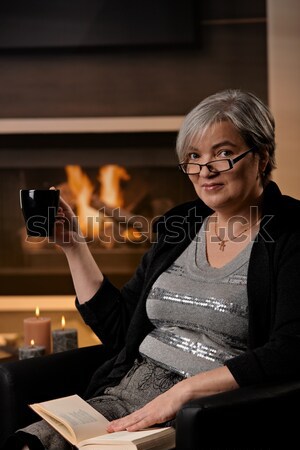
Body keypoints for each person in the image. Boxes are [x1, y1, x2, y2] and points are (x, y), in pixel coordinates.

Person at [6, 88, 300, 450]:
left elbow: (291, 349)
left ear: (262, 156)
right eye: (193, 156)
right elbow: (120, 329)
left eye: (222, 153)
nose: (203, 170)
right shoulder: (182, 223)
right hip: (123, 400)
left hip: (206, 415)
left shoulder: (291, 232)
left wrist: (184, 392)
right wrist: (74, 246)